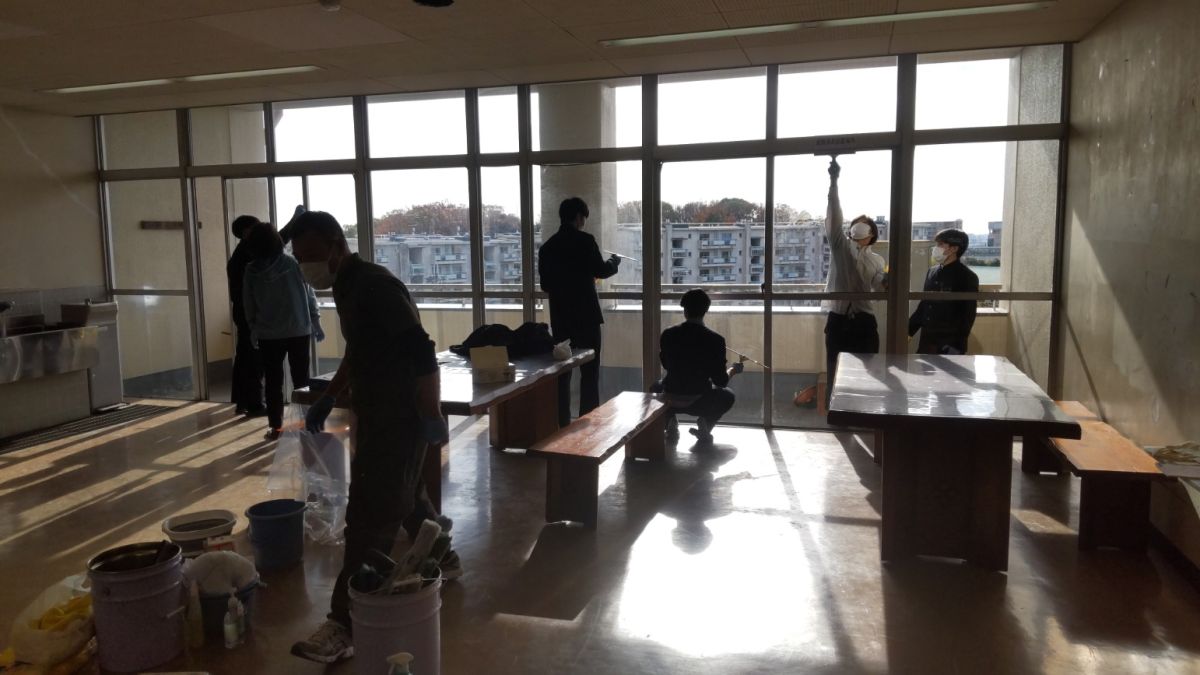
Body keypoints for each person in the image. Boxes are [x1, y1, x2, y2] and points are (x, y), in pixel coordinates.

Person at [288, 210, 457, 665]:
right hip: (378, 413)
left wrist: (431, 413)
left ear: (336, 245)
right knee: (407, 495)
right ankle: (445, 556)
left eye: (311, 254)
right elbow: (358, 350)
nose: (305, 265)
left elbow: (422, 351)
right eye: (299, 257)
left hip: (399, 416)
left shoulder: (374, 286)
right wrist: (331, 394)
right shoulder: (346, 286)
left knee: (369, 517)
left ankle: (343, 623)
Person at [537, 197, 621, 427]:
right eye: (583, 217)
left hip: (561, 318)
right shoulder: (585, 241)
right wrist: (614, 262)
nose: (584, 222)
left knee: (562, 373)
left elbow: (545, 285)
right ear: (578, 217)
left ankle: (561, 423)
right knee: (590, 373)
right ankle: (588, 422)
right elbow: (601, 270)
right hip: (587, 317)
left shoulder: (547, 248)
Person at [242, 223, 322, 439]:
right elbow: (309, 293)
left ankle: (275, 427)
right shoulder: (293, 264)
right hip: (298, 329)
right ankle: (305, 424)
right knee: (302, 381)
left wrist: (253, 327)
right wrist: (315, 320)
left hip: (268, 334)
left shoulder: (251, 271)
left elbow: (248, 303)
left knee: (273, 382)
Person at [819, 157, 887, 405]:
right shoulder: (841, 247)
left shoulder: (877, 260)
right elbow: (833, 216)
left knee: (867, 372)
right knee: (834, 369)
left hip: (864, 321)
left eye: (864, 225)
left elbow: (879, 288)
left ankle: (862, 411)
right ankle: (837, 413)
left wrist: (888, 281)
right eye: (856, 224)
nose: (858, 228)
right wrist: (834, 181)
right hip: (838, 319)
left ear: (872, 235)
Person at [657, 289, 743, 445]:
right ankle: (705, 426)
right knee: (727, 396)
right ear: (706, 310)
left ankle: (670, 422)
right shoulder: (715, 340)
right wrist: (733, 370)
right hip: (699, 400)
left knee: (655, 387)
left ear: (684, 310)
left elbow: (665, 364)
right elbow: (721, 381)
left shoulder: (668, 334)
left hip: (670, 397)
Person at [908, 228, 979, 355]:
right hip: (927, 340)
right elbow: (924, 305)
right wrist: (908, 331)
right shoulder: (932, 271)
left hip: (950, 345)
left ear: (954, 248)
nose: (936, 248)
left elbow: (968, 315)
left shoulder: (967, 276)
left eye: (940, 244)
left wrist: (957, 347)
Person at [227, 215, 264, 416]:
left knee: (244, 358)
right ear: (247, 232)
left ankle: (242, 401)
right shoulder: (248, 255)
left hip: (243, 314)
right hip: (250, 315)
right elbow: (275, 244)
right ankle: (254, 403)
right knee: (253, 360)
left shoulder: (239, 254)